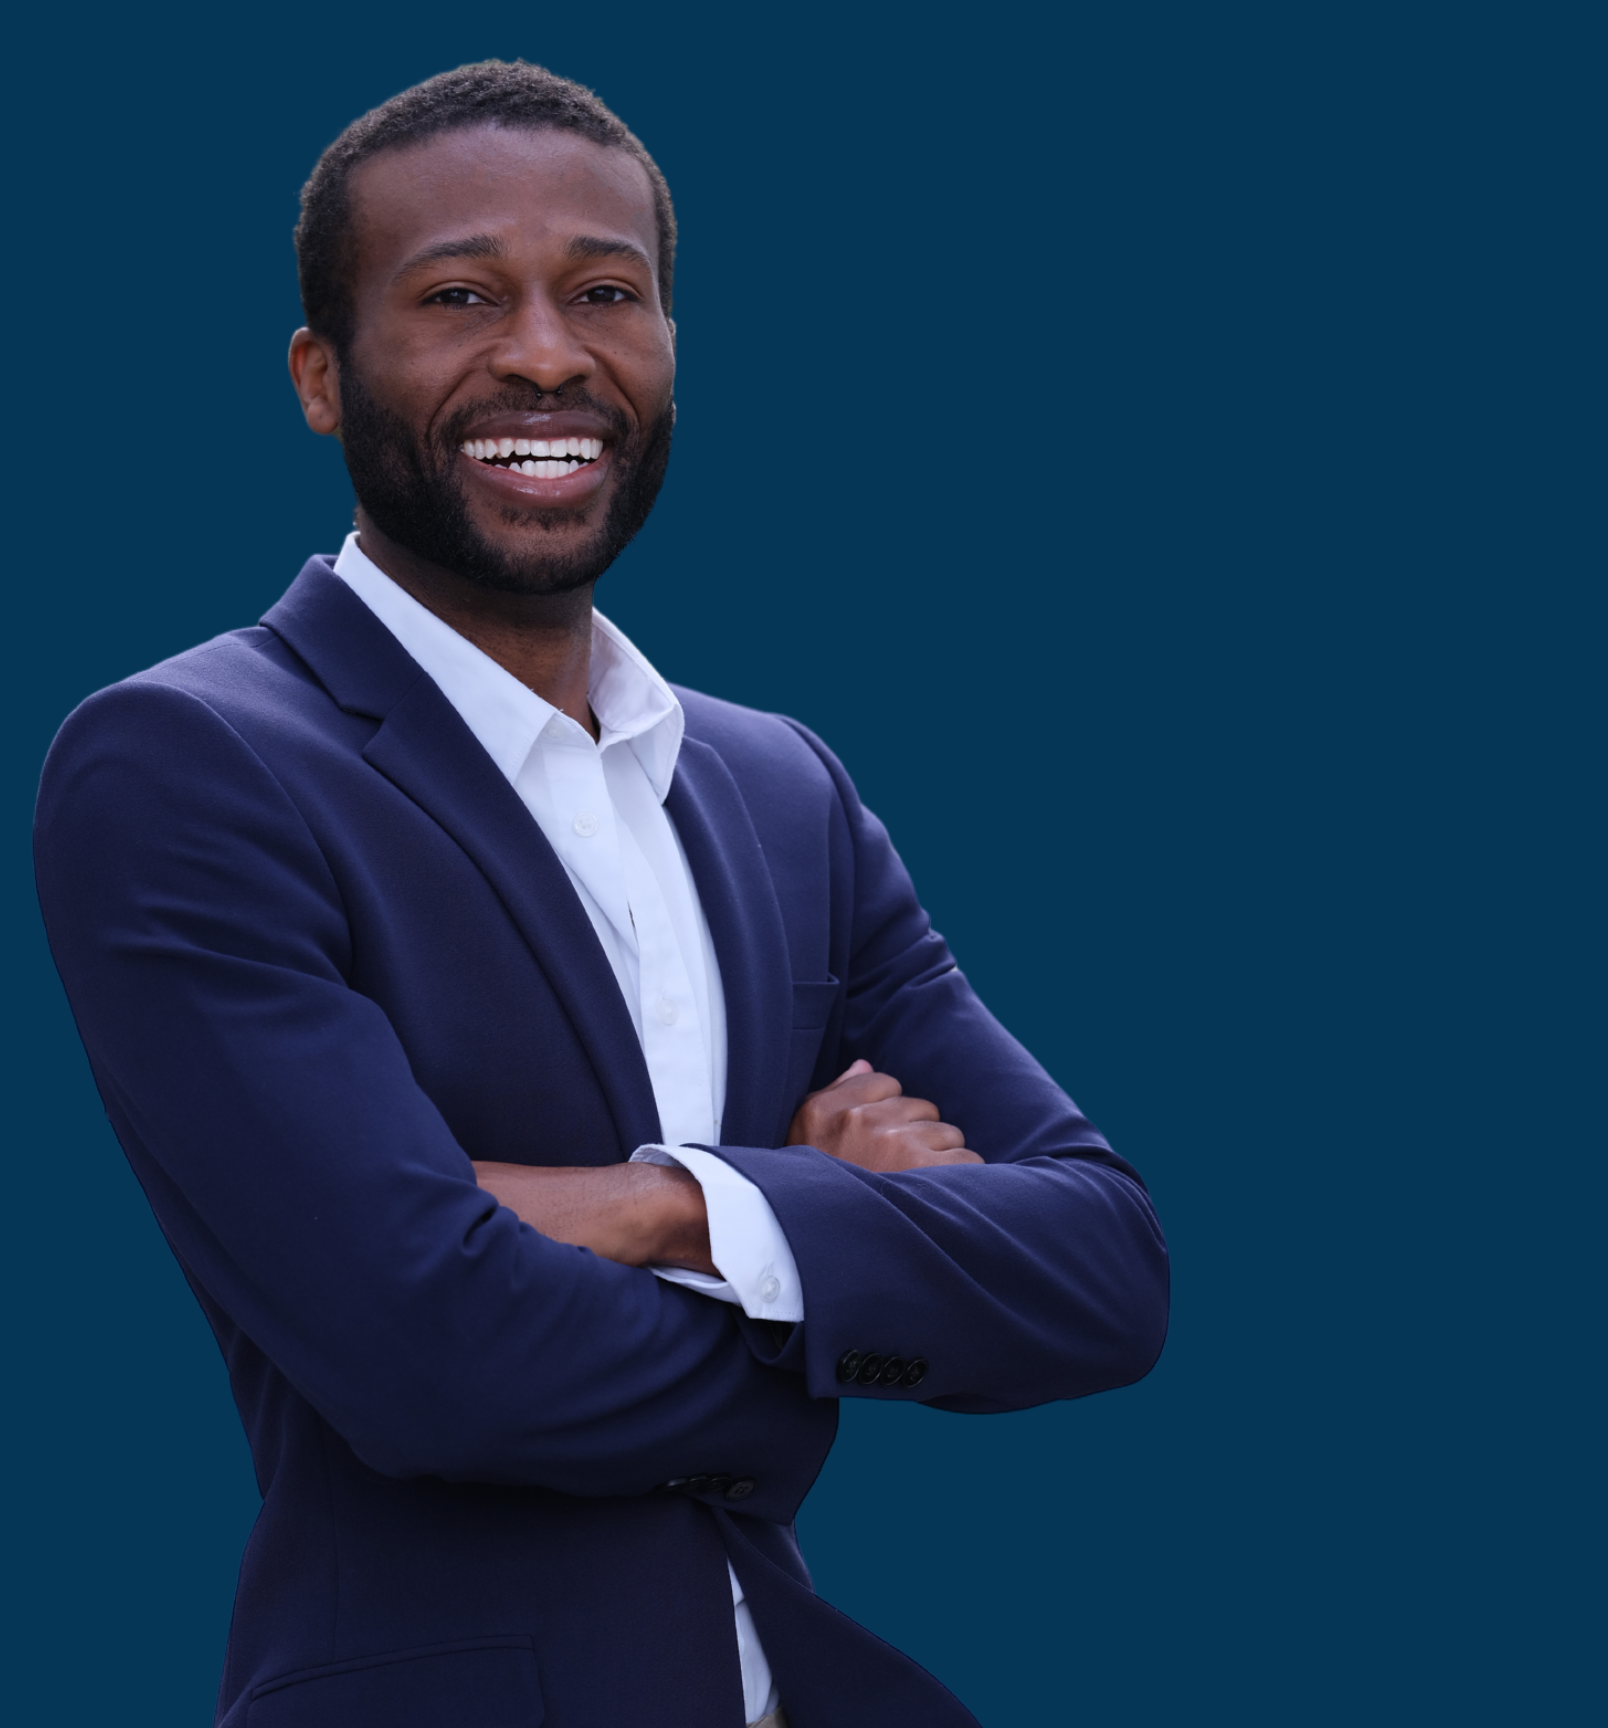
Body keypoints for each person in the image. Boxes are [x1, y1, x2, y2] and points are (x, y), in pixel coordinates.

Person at [33, 61, 1167, 1728]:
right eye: (459, 296)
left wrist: (678, 1207)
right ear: (320, 378)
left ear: (669, 356)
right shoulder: (187, 763)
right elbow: (433, 1364)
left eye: (607, 294)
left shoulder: (784, 789)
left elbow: (1104, 1273)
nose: (549, 352)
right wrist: (824, 1304)